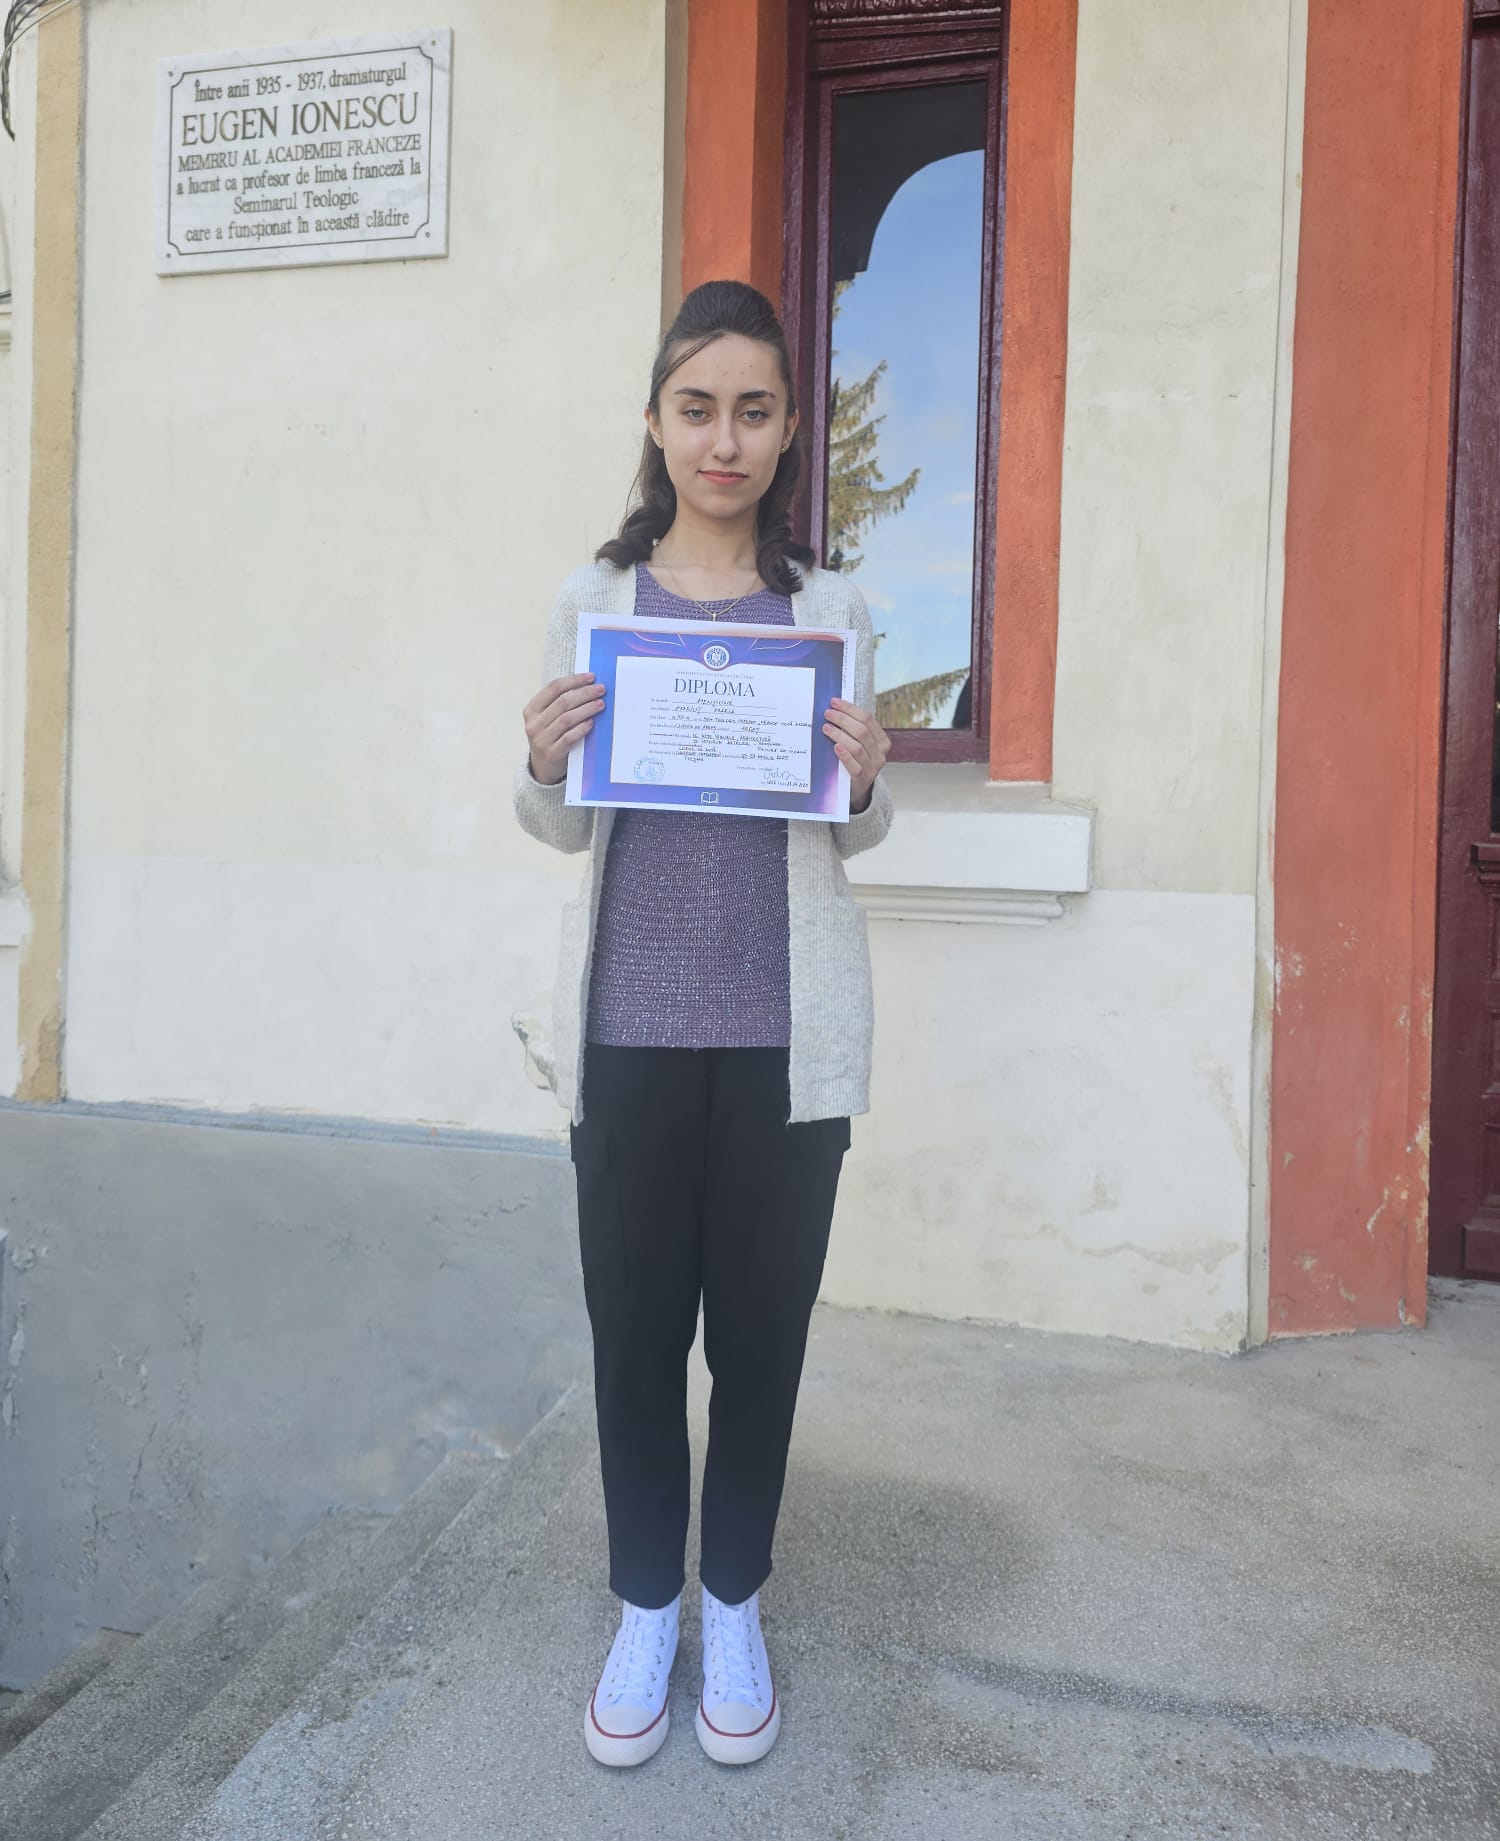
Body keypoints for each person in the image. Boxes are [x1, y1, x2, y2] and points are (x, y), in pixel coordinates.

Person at [513, 279, 894, 1770]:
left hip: (787, 1040)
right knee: (633, 1342)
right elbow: (559, 823)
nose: (723, 439)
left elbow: (851, 831)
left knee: (759, 1342)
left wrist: (867, 777)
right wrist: (541, 759)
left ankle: (731, 1601)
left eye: (753, 409)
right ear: (657, 423)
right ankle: (644, 1607)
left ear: (790, 429)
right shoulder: (594, 601)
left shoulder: (831, 610)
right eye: (697, 408)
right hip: (628, 1030)